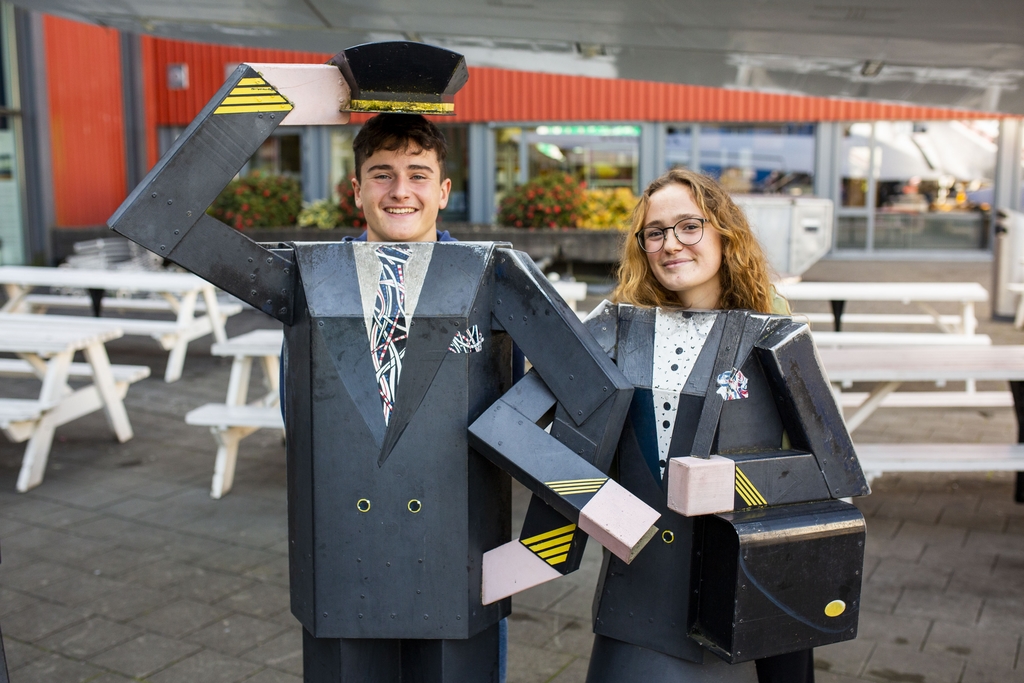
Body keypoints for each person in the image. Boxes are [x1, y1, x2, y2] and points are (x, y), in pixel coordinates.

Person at [582, 168, 868, 683]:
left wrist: (735, 480)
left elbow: (835, 468)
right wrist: (592, 502)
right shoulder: (624, 327)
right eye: (656, 232)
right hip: (649, 585)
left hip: (758, 566)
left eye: (690, 226)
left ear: (723, 233)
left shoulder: (771, 324)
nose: (672, 243)